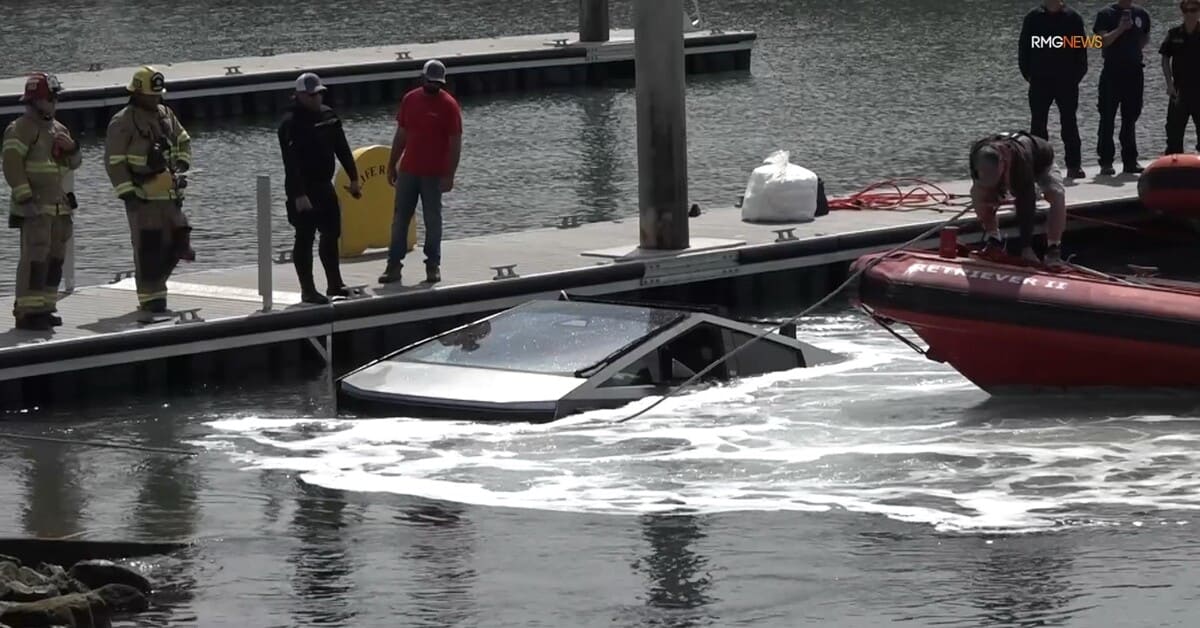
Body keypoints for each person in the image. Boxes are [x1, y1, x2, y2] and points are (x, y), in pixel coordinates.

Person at [103, 65, 194, 317]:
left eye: (159, 94)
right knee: (149, 248)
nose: (157, 99)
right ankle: (151, 300)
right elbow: (115, 162)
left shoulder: (165, 114)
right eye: (152, 95)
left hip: (170, 194)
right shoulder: (123, 122)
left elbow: (183, 140)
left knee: (180, 240)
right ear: (137, 93)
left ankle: (157, 287)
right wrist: (128, 193)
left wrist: (182, 163)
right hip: (142, 196)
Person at [2, 73, 81, 331]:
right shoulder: (21, 128)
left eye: (56, 97)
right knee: (35, 258)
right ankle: (27, 311)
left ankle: (46, 307)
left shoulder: (59, 129)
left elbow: (74, 163)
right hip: (35, 206)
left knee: (55, 258)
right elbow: (12, 165)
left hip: (59, 207)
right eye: (50, 97)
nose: (55, 102)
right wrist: (25, 197)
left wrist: (72, 148)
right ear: (36, 101)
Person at [278, 72, 362, 304]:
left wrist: (354, 177)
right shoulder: (290, 123)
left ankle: (335, 283)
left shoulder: (328, 116)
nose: (316, 98)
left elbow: (342, 148)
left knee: (332, 232)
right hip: (303, 189)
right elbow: (290, 162)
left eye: (319, 94)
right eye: (312, 95)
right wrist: (299, 194)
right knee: (304, 237)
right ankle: (308, 290)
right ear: (300, 95)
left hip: (325, 185)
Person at [378, 59, 462, 285]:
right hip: (408, 171)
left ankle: (432, 265)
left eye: (438, 83)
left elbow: (455, 143)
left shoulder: (449, 105)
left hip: (434, 174)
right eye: (430, 81)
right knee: (399, 220)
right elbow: (402, 134)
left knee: (433, 220)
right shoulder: (410, 99)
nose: (434, 86)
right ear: (423, 78)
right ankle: (393, 266)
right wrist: (392, 163)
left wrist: (450, 174)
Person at [968, 131, 1068, 267]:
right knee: (980, 195)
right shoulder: (976, 154)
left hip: (1041, 161)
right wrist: (991, 195)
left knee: (1056, 194)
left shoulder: (1021, 159)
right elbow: (979, 189)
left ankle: (1053, 249)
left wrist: (1026, 247)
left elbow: (1026, 205)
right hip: (1008, 169)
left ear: (1003, 163)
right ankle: (994, 240)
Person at [1018, 0, 1088, 179]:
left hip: (1067, 81)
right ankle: (1039, 168)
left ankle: (1074, 166)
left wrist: (1076, 77)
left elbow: (1081, 51)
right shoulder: (1033, 18)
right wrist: (1029, 75)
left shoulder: (1073, 18)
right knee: (1038, 124)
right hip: (1040, 81)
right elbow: (1023, 48)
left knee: (1069, 123)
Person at [1094, 1, 1152, 174]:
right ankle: (1106, 162)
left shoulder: (1141, 13)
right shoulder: (1106, 14)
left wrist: (1134, 48)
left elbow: (1145, 37)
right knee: (1107, 117)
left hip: (1134, 72)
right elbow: (1101, 42)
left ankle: (1130, 161)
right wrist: (1120, 29)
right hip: (1112, 72)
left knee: (1130, 117)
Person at [1159, 0, 1200, 155]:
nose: (1190, 14)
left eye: (1194, 10)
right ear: (1182, 12)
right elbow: (1164, 58)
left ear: (1199, 11)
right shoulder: (1174, 33)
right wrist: (1169, 83)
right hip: (1179, 91)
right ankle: (1174, 166)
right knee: (1173, 133)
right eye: (1186, 11)